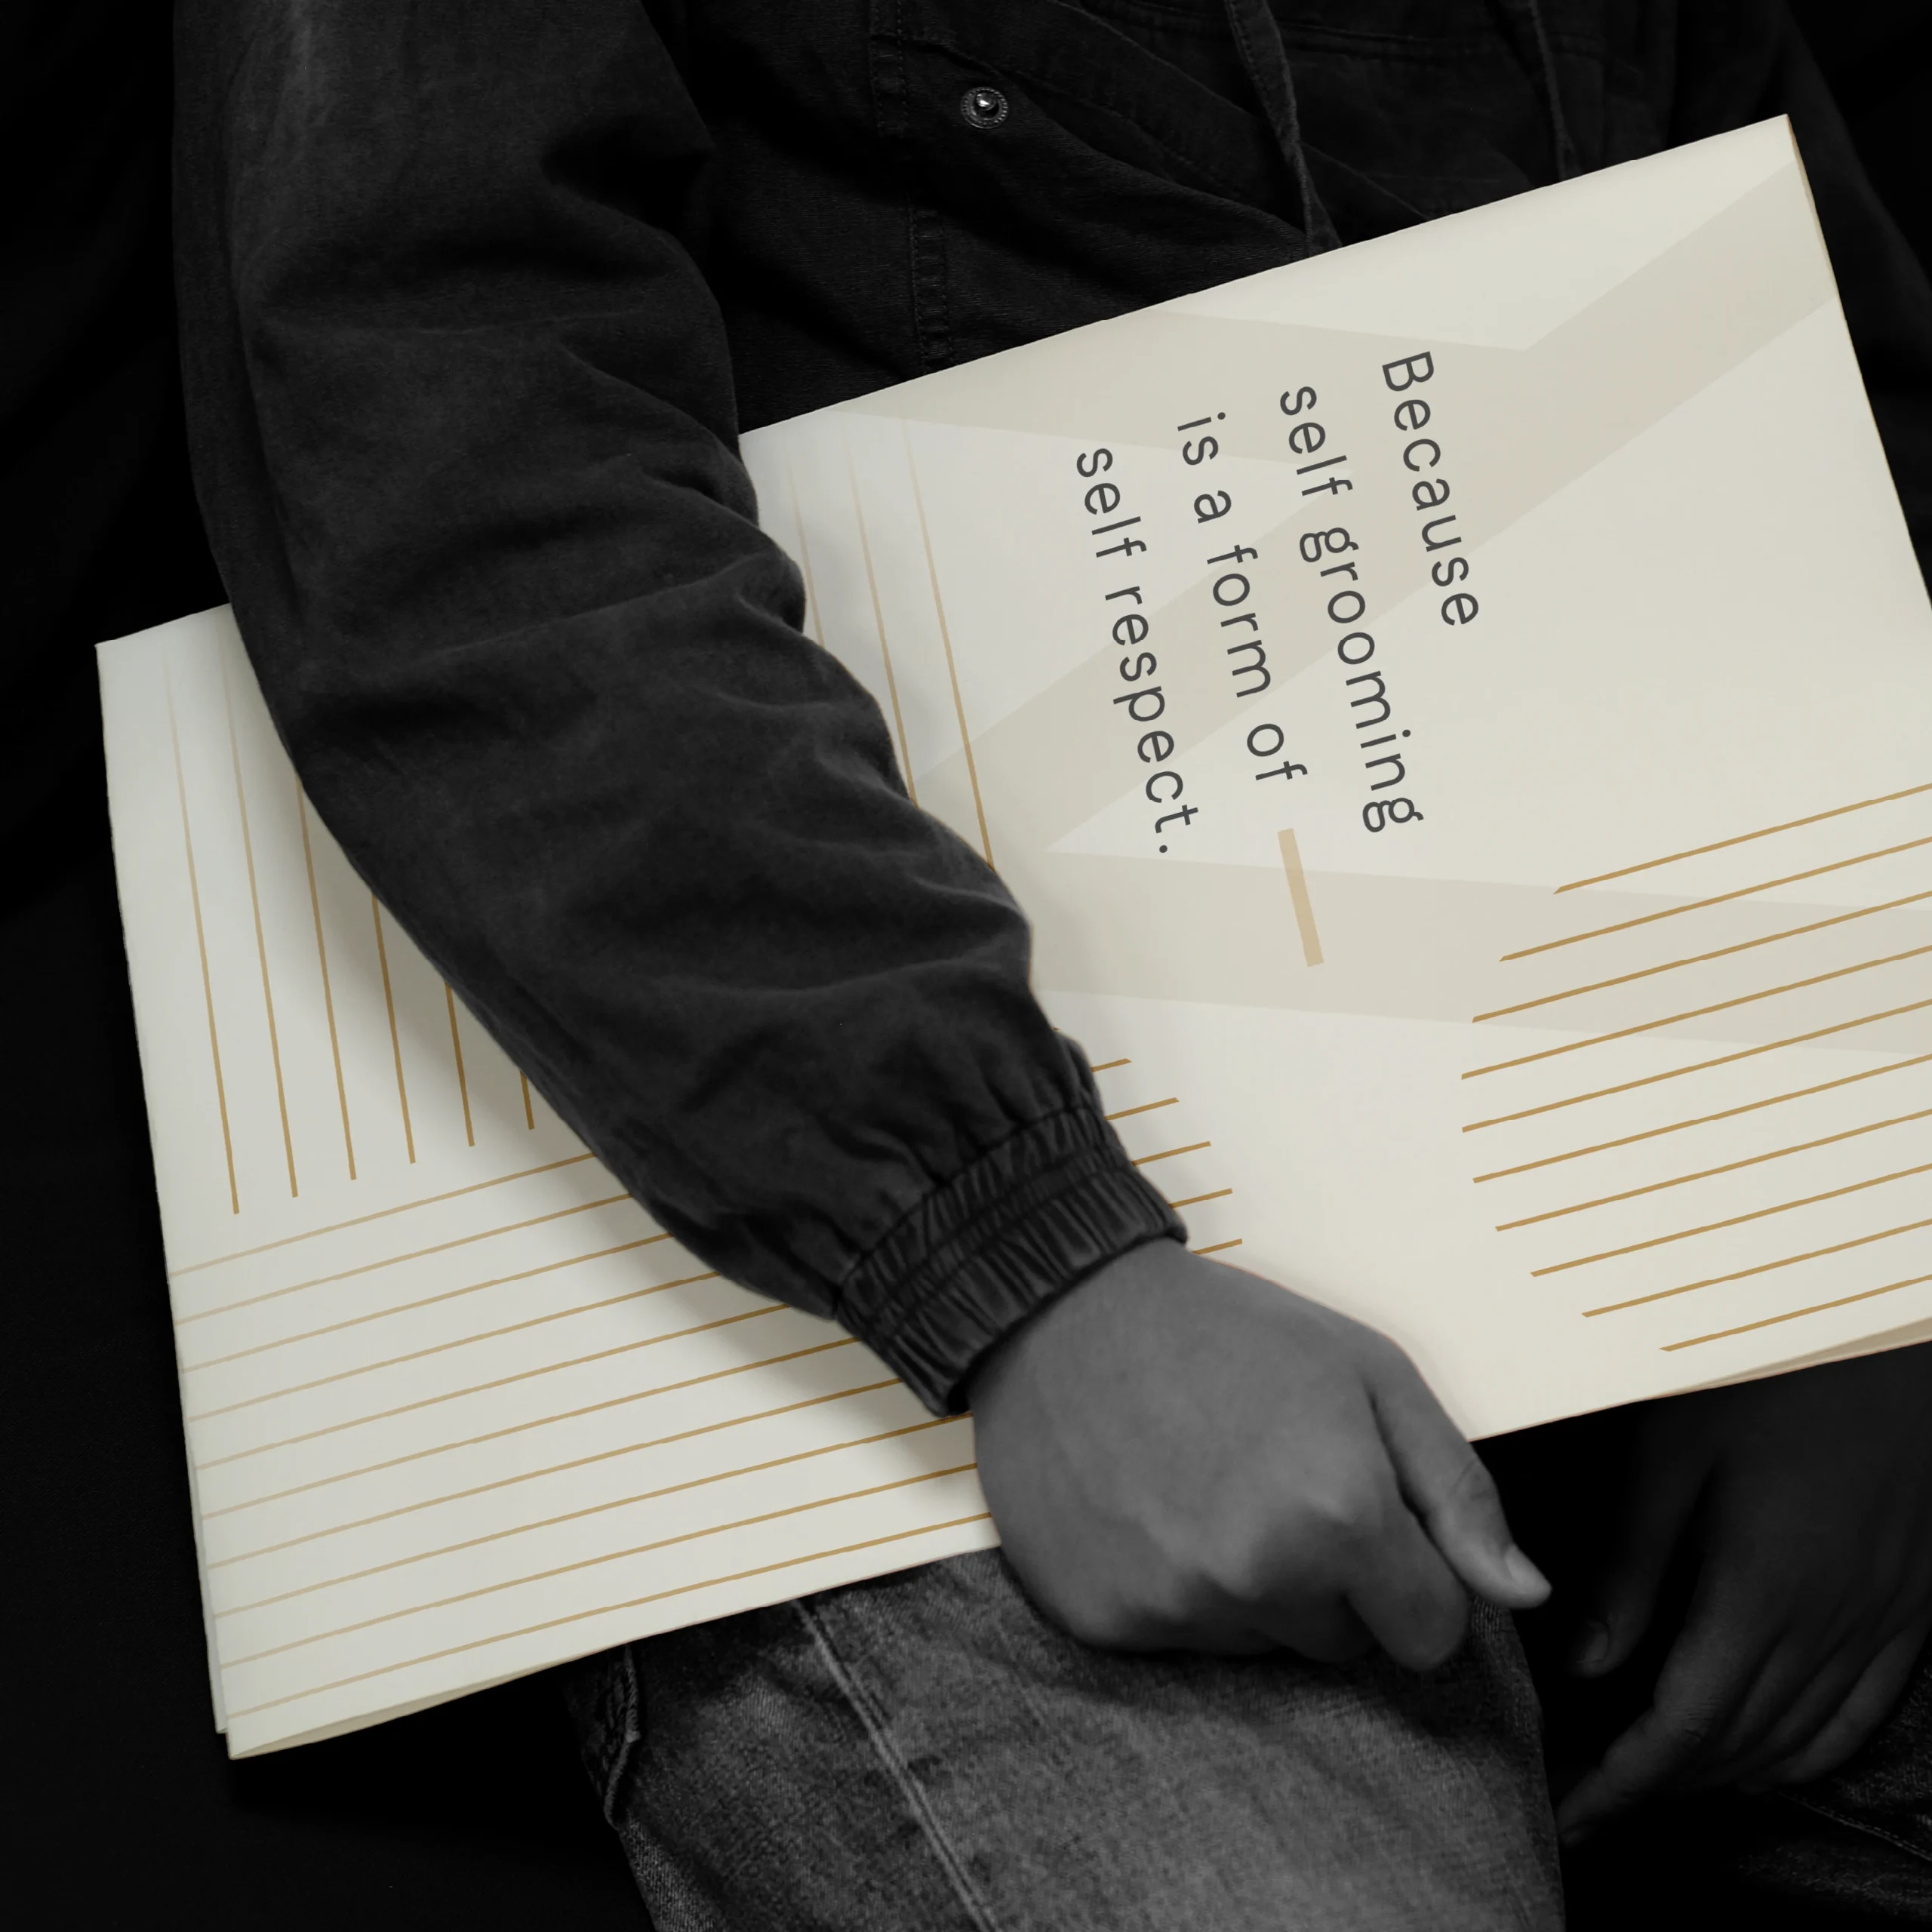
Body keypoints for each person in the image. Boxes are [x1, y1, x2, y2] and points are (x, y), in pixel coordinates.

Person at [169, 2, 1932, 1923]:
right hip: (911, 1327)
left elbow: (1816, 382)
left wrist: (1866, 1267)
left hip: (1695, 1204)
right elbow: (451, 462)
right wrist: (1019, 1268)